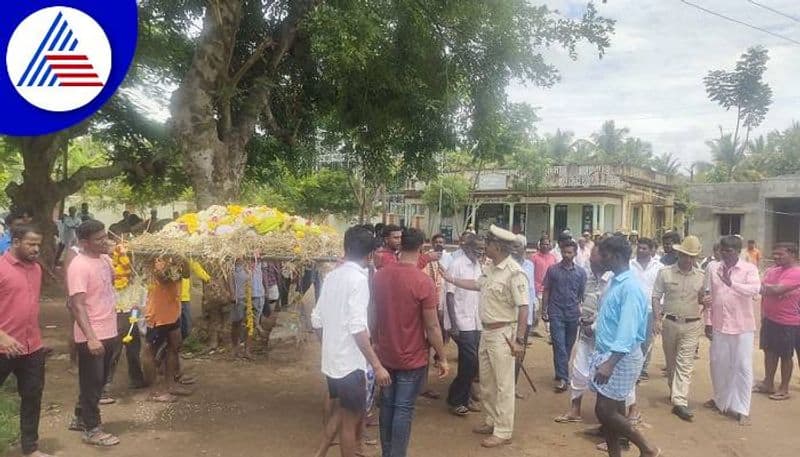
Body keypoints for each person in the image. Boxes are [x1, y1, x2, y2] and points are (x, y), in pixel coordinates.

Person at [443, 224, 529, 448]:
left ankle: (503, 430)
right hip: (487, 332)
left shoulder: (514, 272)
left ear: (498, 247)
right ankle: (491, 420)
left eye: (488, 243)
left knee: (504, 385)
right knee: (488, 383)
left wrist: (520, 340)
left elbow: (523, 307)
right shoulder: (491, 268)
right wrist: (451, 280)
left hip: (503, 334)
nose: (485, 247)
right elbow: (476, 284)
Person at [311, 227, 390, 457]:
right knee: (351, 421)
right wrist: (376, 365)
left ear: (345, 248)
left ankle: (320, 452)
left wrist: (329, 345)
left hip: (332, 362)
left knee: (343, 410)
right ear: (369, 256)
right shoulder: (358, 280)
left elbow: (316, 319)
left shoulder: (332, 275)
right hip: (350, 364)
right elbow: (357, 327)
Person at [372, 228, 448, 457]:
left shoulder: (380, 275)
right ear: (422, 247)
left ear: (400, 244)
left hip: (385, 354)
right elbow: (433, 326)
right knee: (403, 408)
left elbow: (373, 314)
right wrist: (442, 357)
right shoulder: (422, 281)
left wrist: (375, 343)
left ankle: (388, 453)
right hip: (412, 356)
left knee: (387, 406)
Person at [592, 236, 660, 457]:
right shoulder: (615, 280)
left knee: (603, 410)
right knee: (614, 410)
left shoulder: (630, 288)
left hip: (619, 358)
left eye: (604, 254)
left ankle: (647, 447)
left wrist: (610, 363)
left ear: (617, 256)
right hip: (608, 353)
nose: (600, 258)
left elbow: (627, 331)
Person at [0, 224, 54, 457]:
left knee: (32, 395)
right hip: (2, 347)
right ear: (15, 242)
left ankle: (30, 448)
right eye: (31, 244)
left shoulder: (36, 269)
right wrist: (2, 336)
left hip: (32, 346)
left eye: (38, 244)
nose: (36, 249)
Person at [67, 220, 120, 446]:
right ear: (84, 242)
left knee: (99, 381)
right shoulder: (79, 266)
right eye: (98, 239)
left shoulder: (105, 260)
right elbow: (76, 305)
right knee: (92, 381)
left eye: (104, 236)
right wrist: (91, 338)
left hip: (109, 329)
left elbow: (114, 283)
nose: (104, 241)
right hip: (92, 334)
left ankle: (80, 416)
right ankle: (92, 428)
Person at [703, 235, 761, 426]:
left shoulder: (749, 269)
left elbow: (754, 290)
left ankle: (742, 408)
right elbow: (708, 295)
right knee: (718, 363)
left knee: (742, 366)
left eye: (729, 251)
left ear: (738, 251)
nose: (725, 254)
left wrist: (731, 284)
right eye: (722, 250)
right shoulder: (713, 268)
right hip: (719, 324)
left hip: (742, 326)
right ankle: (721, 401)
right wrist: (708, 321)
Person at [651, 236, 706, 422]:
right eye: (685, 255)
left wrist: (705, 301)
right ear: (679, 254)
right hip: (670, 323)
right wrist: (656, 319)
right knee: (672, 361)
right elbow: (656, 297)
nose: (688, 260)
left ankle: (680, 401)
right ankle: (674, 391)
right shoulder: (665, 273)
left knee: (685, 362)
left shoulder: (701, 276)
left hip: (692, 323)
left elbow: (702, 299)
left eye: (692, 257)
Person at [554, 246, 611, 424]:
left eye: (593, 260)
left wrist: (593, 326)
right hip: (585, 335)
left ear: (603, 260)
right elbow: (582, 299)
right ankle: (575, 410)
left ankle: (614, 418)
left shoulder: (612, 281)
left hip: (605, 339)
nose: (590, 262)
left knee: (608, 377)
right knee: (578, 371)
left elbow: (609, 311)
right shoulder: (588, 277)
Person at [753, 243, 800, 401]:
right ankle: (768, 383)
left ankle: (784, 388)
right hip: (770, 319)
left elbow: (775, 290)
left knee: (785, 355)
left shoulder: (796, 272)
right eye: (775, 254)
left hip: (788, 322)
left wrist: (758, 287)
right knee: (769, 352)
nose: (776, 257)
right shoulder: (772, 271)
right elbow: (766, 292)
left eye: (780, 254)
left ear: (793, 254)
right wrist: (763, 315)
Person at [445, 234, 484, 416]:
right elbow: (450, 295)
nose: (481, 251)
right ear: (468, 247)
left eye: (483, 248)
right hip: (461, 321)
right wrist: (453, 324)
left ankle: (464, 396)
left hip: (476, 321)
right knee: (470, 360)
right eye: (478, 248)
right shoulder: (457, 264)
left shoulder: (479, 265)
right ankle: (456, 399)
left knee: (471, 362)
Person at [542, 239, 586, 392]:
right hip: (556, 312)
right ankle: (563, 378)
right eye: (564, 252)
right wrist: (544, 310)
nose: (567, 255)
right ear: (561, 252)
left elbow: (581, 294)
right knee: (559, 344)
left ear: (575, 254)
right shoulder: (552, 270)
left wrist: (582, 312)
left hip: (573, 314)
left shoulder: (581, 273)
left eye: (570, 252)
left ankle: (560, 371)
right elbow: (546, 290)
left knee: (568, 346)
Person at [630, 237, 663, 382]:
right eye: (639, 247)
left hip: (650, 309)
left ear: (651, 250)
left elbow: (662, 290)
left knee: (646, 340)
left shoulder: (659, 267)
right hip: (631, 308)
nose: (641, 250)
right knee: (631, 338)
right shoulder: (629, 264)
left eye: (644, 248)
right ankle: (631, 366)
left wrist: (659, 312)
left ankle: (642, 368)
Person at [512, 234, 537, 399]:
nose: (514, 249)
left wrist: (534, 310)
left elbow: (531, 289)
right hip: (509, 316)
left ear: (524, 248)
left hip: (525, 316)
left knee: (520, 352)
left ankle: (512, 385)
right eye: (512, 246)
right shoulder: (506, 265)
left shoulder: (529, 265)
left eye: (517, 246)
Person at [231, 258, 266, 359]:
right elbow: (229, 274)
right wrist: (232, 292)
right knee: (236, 322)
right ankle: (235, 349)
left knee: (251, 324)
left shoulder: (260, 258)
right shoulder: (237, 258)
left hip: (256, 294)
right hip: (240, 296)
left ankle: (247, 350)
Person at [531, 237, 557, 337]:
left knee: (549, 311)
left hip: (550, 289)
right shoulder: (534, 257)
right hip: (536, 288)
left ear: (550, 245)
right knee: (536, 310)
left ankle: (550, 333)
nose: (545, 246)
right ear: (539, 245)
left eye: (547, 244)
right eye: (543, 244)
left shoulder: (553, 257)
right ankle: (533, 329)